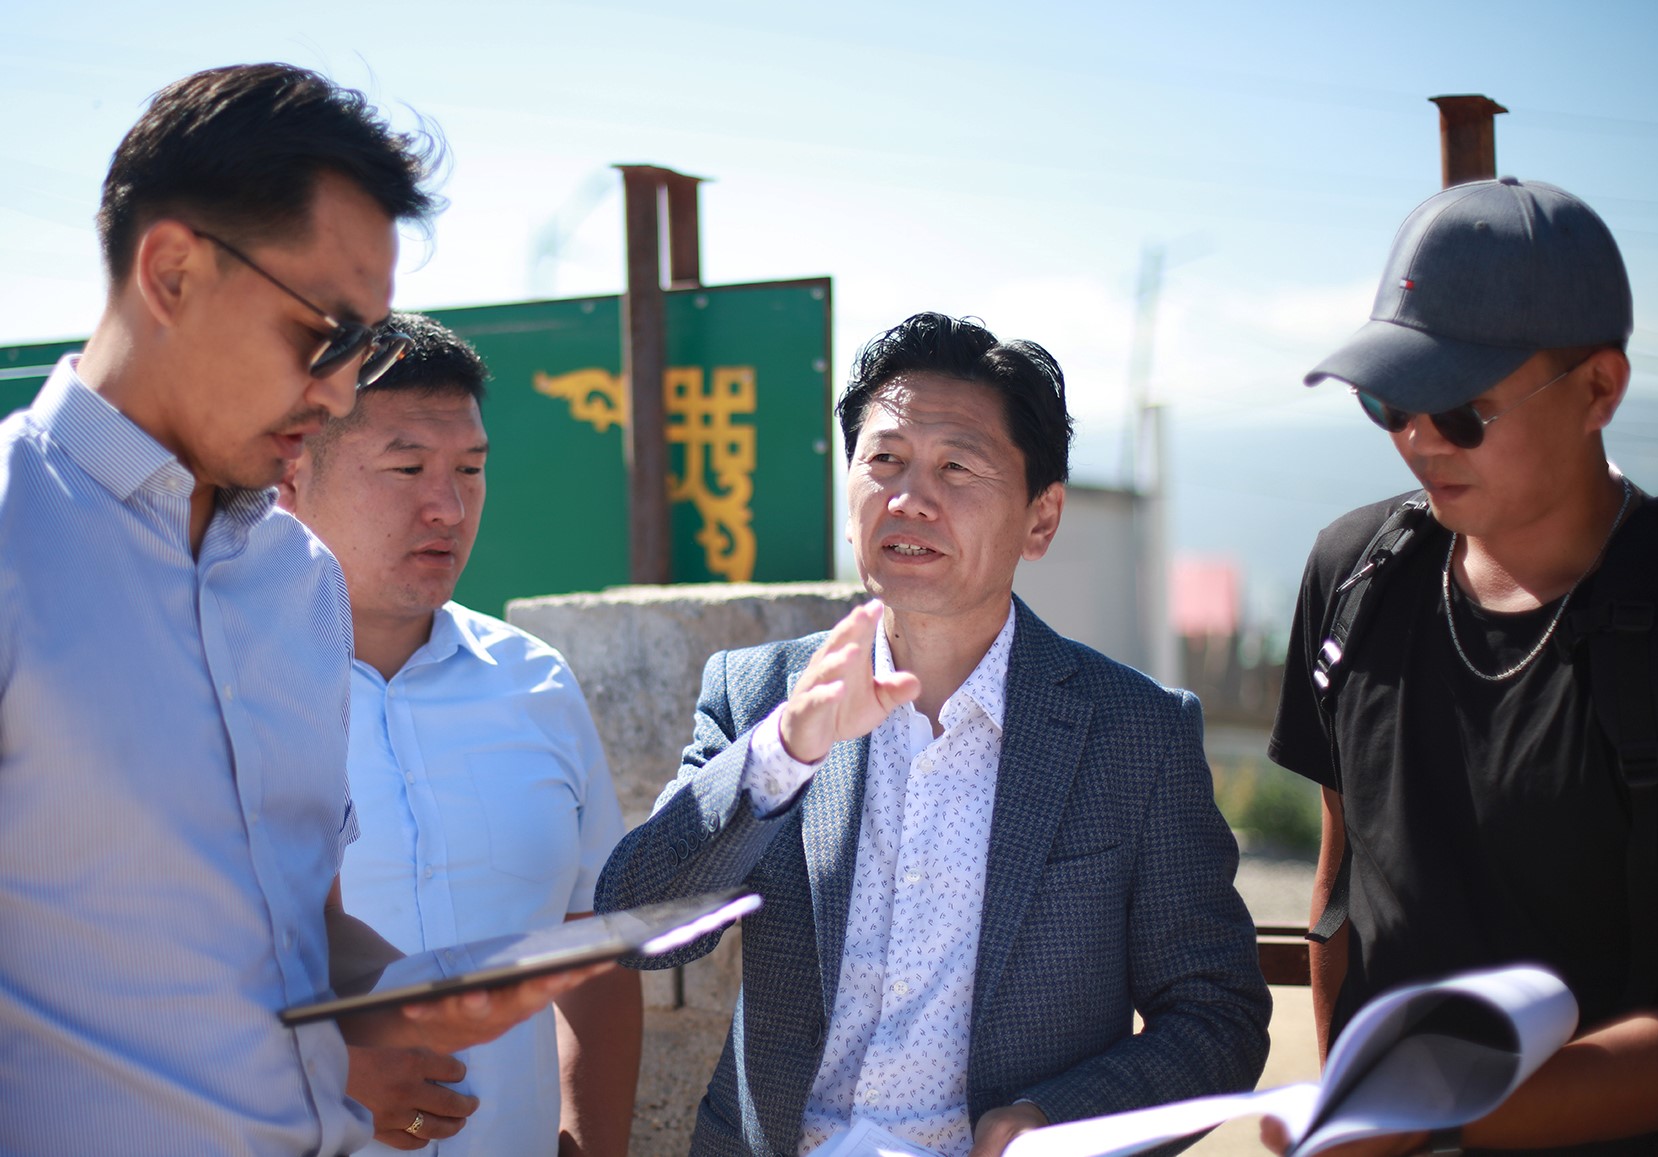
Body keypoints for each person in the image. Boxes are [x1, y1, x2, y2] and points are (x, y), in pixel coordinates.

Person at [0, 64, 588, 1156]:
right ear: (172, 271)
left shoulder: (296, 580)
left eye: (363, 345)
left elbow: (300, 927)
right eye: (325, 335)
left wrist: (420, 991)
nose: (339, 389)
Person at [596, 311, 1270, 1157]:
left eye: (956, 466)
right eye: (884, 460)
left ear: (1040, 518)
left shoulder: (1133, 734)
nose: (909, 498)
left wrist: (1054, 1121)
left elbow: (1215, 1014)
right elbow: (636, 929)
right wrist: (784, 751)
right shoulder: (763, 695)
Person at [1266, 178, 1658, 1155]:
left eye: (1463, 411)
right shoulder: (1353, 574)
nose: (1417, 439)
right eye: (1387, 401)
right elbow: (1342, 890)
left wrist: (1429, 1116)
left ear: (1598, 388)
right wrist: (1346, 1108)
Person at [279, 311, 642, 1156]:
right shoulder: (222, 690)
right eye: (406, 467)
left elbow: (590, 952)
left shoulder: (537, 682)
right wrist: (316, 1075)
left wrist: (590, 1141)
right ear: (292, 472)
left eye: (470, 469)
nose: (447, 506)